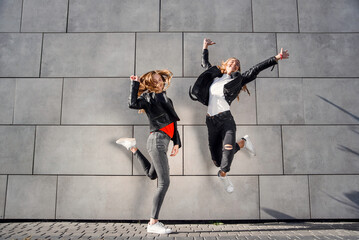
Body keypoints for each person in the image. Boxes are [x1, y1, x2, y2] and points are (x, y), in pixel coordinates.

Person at [189, 38, 289, 193]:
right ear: (226, 63)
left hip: (226, 120)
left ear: (237, 68)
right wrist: (204, 47)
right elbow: (204, 63)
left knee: (227, 150)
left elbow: (256, 69)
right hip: (210, 121)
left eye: (237, 64)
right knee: (217, 160)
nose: (234, 64)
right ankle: (243, 143)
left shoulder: (238, 80)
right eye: (232, 61)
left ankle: (223, 175)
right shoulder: (214, 76)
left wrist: (276, 58)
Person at [116, 70, 181, 234]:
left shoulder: (167, 99)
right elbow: (132, 104)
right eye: (155, 81)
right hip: (157, 141)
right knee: (164, 183)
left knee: (153, 175)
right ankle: (153, 222)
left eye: (160, 79)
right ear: (150, 84)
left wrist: (177, 143)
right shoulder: (148, 98)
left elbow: (173, 122)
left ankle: (133, 148)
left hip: (163, 142)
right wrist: (134, 85)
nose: (159, 82)